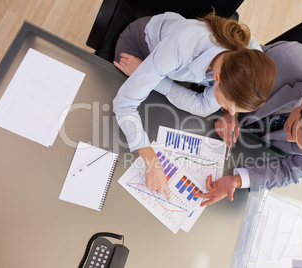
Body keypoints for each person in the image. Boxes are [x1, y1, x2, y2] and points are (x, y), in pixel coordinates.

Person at [112, 11, 277, 200]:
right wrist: (150, 160)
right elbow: (124, 104)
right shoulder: (182, 46)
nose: (231, 113)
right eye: (231, 107)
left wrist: (230, 113)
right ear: (217, 79)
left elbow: (202, 107)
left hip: (171, 70)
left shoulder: (253, 59)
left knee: (161, 114)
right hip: (140, 47)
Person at [195, 41, 302, 206]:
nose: (288, 139)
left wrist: (237, 180)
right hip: (214, 108)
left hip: (250, 151)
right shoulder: (285, 59)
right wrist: (229, 109)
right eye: (293, 129)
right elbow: (230, 71)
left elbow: (290, 171)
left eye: (301, 147)